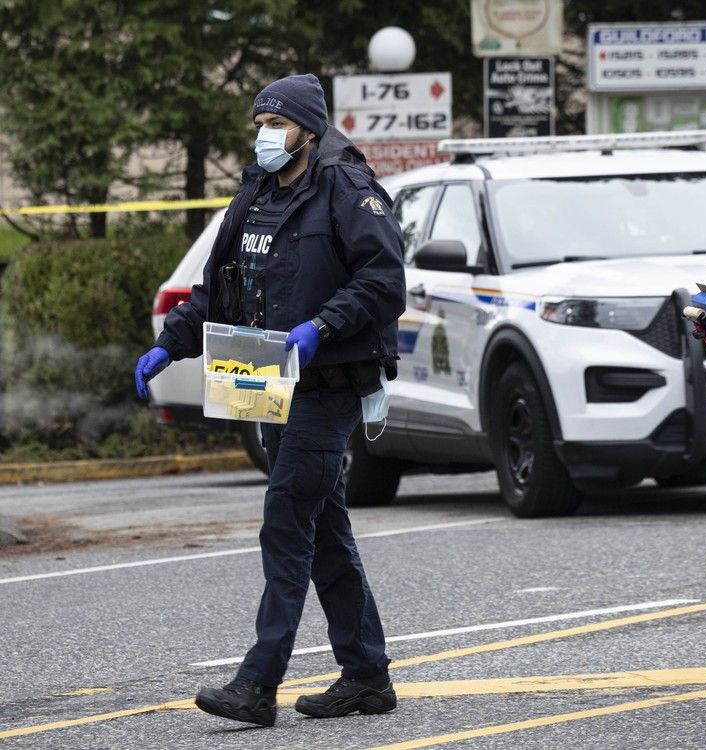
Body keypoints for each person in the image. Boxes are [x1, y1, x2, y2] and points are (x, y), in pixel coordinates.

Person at [134, 73, 406, 726]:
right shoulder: (255, 191)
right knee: (324, 530)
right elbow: (219, 285)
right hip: (262, 375)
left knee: (287, 517)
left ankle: (257, 685)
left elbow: (384, 278)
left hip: (326, 381)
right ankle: (366, 674)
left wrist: (324, 326)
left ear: (309, 131)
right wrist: (173, 343)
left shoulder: (344, 187)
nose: (264, 136)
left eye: (276, 125)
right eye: (258, 124)